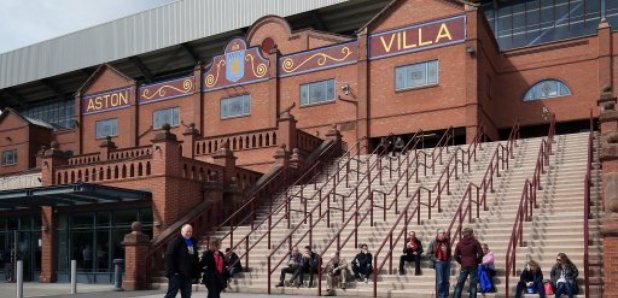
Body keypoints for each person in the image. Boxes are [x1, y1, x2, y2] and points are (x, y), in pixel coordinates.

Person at [164, 224, 200, 298]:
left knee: (187, 295)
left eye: (190, 231)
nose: (189, 233)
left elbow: (194, 258)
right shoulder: (175, 241)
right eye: (187, 231)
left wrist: (195, 273)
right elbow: (169, 256)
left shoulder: (191, 242)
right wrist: (173, 271)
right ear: (182, 231)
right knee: (171, 294)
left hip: (188, 275)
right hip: (176, 274)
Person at [453, 227, 483, 298]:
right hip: (473, 264)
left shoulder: (460, 243)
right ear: (471, 233)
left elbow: (455, 255)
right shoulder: (475, 242)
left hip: (464, 264)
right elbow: (481, 254)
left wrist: (461, 261)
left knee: (460, 283)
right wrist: (477, 261)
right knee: (473, 284)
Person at [427, 228, 451, 298]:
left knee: (446, 280)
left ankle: (445, 295)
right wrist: (435, 259)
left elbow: (450, 252)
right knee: (440, 281)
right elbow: (428, 253)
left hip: (446, 262)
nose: (443, 234)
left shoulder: (447, 241)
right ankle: (441, 296)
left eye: (444, 233)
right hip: (439, 263)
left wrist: (447, 252)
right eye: (441, 233)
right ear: (437, 234)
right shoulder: (433, 242)